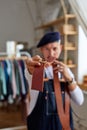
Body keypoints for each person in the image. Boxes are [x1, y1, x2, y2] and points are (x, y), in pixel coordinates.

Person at [25, 32, 84, 130]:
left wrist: (69, 78)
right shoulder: (37, 70)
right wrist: (32, 71)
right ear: (41, 50)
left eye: (55, 48)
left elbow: (79, 100)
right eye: (47, 49)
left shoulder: (66, 71)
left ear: (61, 48)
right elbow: (33, 81)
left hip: (63, 126)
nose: (51, 53)